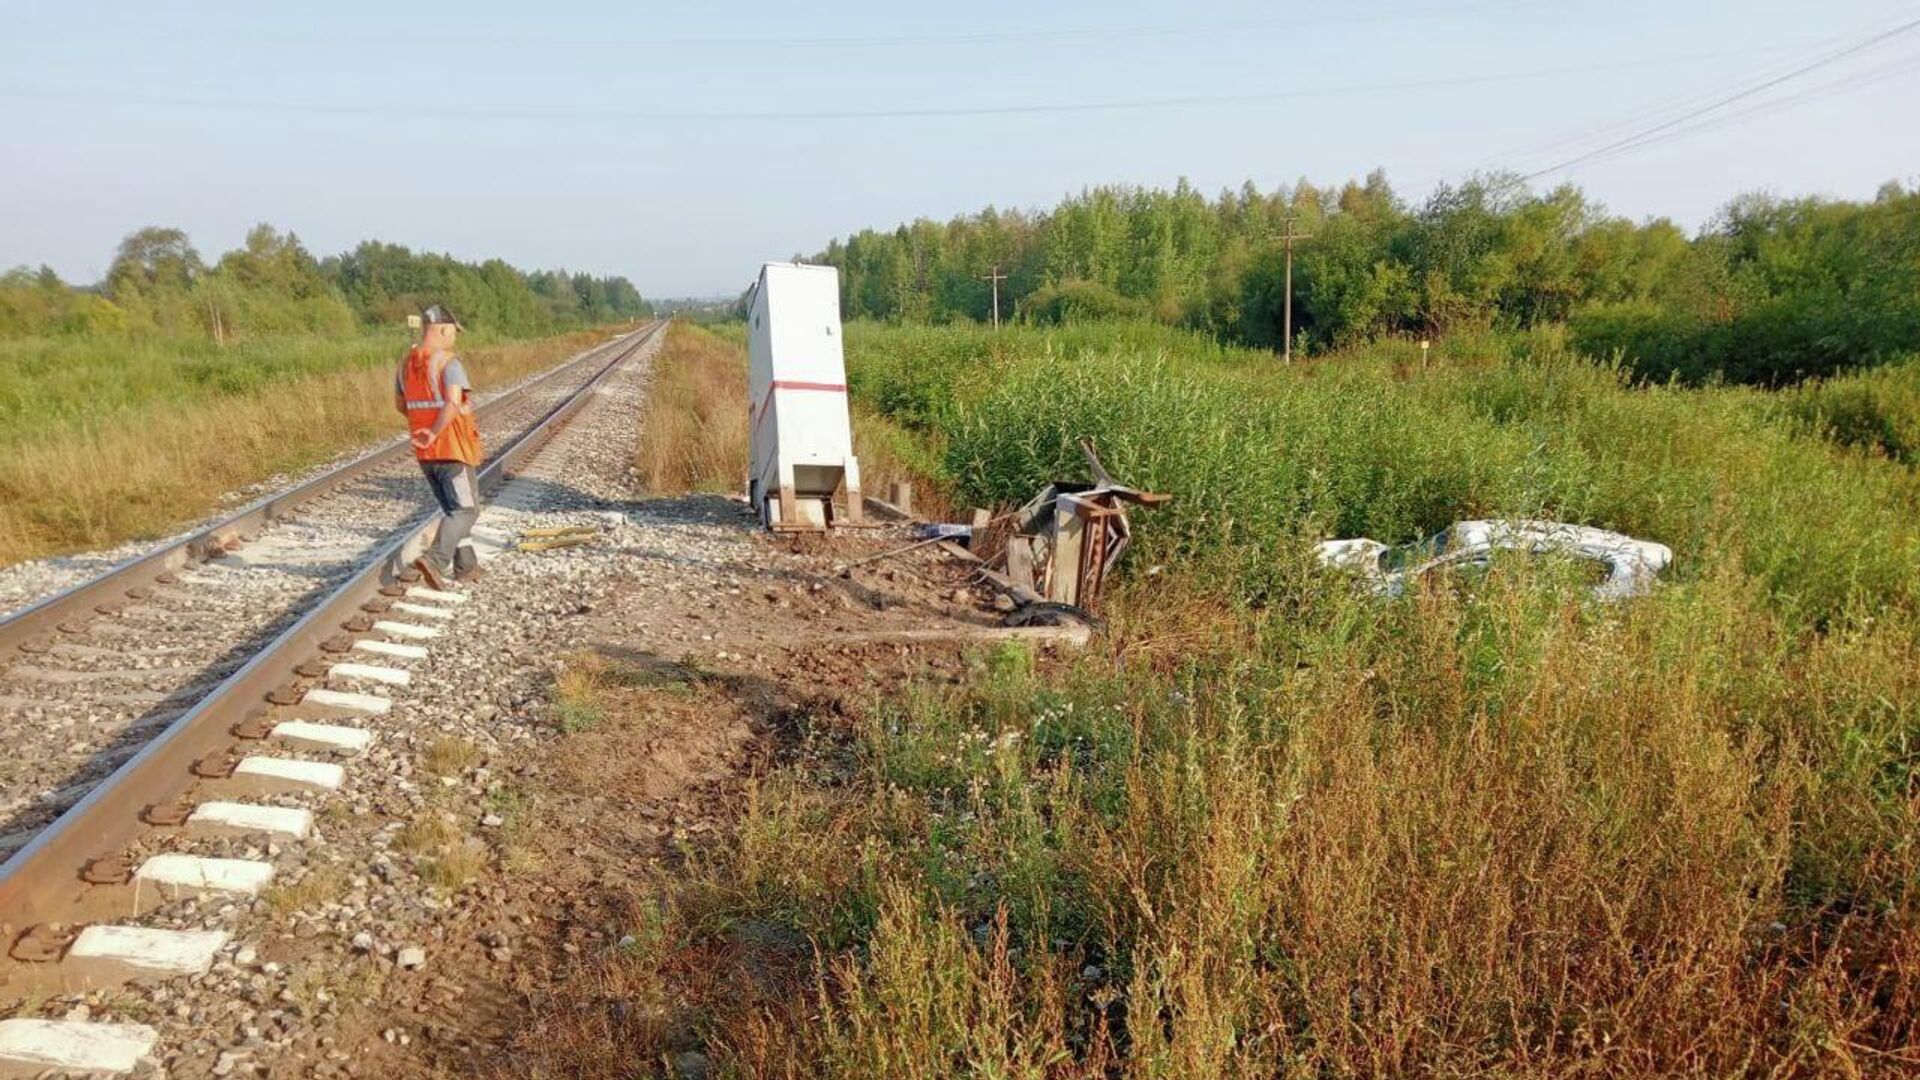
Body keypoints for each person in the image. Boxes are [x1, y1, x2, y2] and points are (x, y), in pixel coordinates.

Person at [396, 304, 483, 589]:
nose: (455, 337)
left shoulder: (406, 364)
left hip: (426, 454)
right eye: (454, 332)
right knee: (467, 511)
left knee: (453, 510)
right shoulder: (448, 363)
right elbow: (453, 403)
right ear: (443, 329)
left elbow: (401, 404)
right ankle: (435, 560)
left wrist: (423, 430)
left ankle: (466, 567)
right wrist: (434, 432)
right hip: (452, 449)